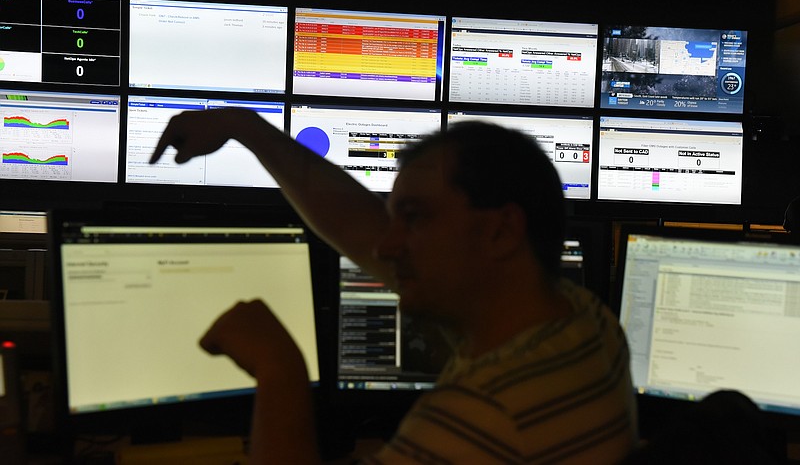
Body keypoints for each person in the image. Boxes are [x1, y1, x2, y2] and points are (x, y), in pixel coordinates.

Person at [151, 110, 639, 464]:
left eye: (414, 218)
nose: (385, 247)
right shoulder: (584, 322)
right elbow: (359, 227)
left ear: (500, 231)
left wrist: (280, 370)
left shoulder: (479, 417)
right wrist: (245, 127)